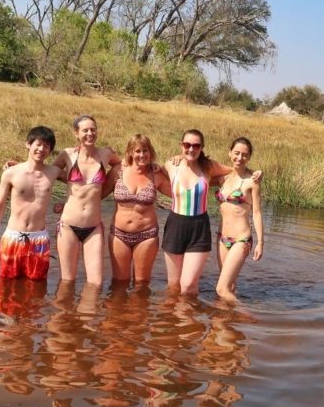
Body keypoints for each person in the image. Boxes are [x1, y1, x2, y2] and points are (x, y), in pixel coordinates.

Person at [161, 129, 260, 296]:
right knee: (173, 286)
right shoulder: (171, 164)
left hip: (199, 228)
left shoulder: (208, 167)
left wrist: (256, 173)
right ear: (181, 146)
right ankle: (176, 320)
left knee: (188, 286)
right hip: (174, 226)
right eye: (187, 145)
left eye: (196, 146)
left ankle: (190, 319)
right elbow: (156, 174)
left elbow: (235, 169)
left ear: (201, 148)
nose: (191, 149)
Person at [0, 126, 64, 280]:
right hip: (13, 237)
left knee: (37, 285)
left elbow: (80, 183)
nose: (41, 149)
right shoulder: (11, 173)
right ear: (28, 144)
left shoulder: (53, 172)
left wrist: (66, 204)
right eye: (38, 144)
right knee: (6, 283)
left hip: (39, 239)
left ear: (50, 150)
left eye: (46, 146)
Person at [52, 114, 120, 286]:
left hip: (94, 227)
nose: (90, 133)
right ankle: (66, 314)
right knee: (67, 282)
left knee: (95, 283)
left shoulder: (106, 154)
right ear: (76, 133)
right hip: (68, 225)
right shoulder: (67, 154)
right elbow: (47, 172)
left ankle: (87, 313)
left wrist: (104, 191)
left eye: (93, 129)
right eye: (85, 130)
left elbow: (122, 165)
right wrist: (20, 166)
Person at [102, 134, 171, 284]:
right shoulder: (117, 171)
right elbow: (98, 194)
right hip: (119, 235)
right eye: (137, 151)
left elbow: (179, 193)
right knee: (119, 283)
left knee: (141, 285)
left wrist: (167, 169)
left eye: (145, 151)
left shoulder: (156, 175)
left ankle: (139, 308)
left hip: (147, 236)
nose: (142, 155)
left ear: (150, 152)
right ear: (130, 152)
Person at [214, 137, 264, 301]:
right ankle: (226, 325)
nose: (240, 158)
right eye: (236, 153)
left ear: (249, 157)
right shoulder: (223, 177)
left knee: (221, 289)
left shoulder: (253, 181)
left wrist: (260, 242)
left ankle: (247, 317)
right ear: (230, 153)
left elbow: (256, 212)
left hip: (241, 240)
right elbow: (199, 168)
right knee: (230, 287)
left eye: (244, 155)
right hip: (222, 239)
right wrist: (179, 158)